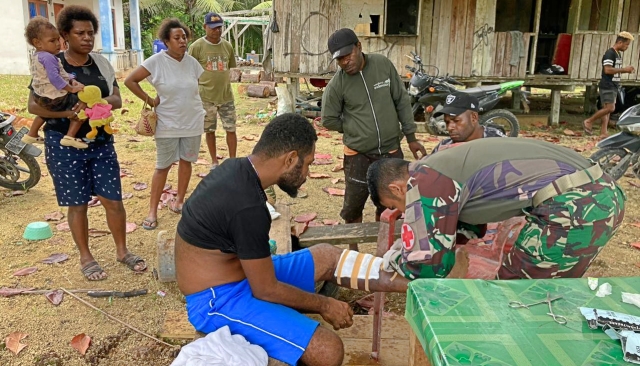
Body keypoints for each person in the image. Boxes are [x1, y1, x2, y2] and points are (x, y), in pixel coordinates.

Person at [175, 113, 408, 366]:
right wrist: (325, 304)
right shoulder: (247, 206)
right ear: (290, 159)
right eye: (307, 164)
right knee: (328, 350)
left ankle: (415, 283)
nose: (307, 173)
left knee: (327, 256)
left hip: (242, 275)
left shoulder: (238, 170)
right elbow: (266, 289)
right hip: (215, 300)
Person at [367, 137, 625, 280]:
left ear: (397, 188)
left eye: (396, 208)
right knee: (551, 290)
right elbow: (469, 227)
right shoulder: (439, 167)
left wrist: (399, 259)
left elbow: (429, 266)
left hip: (576, 205)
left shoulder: (425, 181)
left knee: (515, 296)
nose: (405, 214)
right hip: (598, 192)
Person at [27, 5, 146, 280]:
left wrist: (96, 104)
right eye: (79, 33)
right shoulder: (51, 63)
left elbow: (116, 99)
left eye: (91, 33)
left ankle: (122, 251)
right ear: (65, 35)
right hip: (63, 144)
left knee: (113, 200)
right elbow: (34, 107)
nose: (87, 38)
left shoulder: (101, 64)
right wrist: (69, 113)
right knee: (77, 203)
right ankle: (86, 256)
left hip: (101, 142)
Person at [321, 28, 426, 251]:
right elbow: (328, 119)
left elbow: (401, 101)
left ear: (358, 47)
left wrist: (411, 137)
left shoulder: (382, 65)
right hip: (357, 155)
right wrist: (354, 129)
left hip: (390, 151)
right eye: (339, 59)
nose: (344, 62)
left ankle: (386, 250)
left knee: (389, 204)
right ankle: (353, 250)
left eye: (347, 56)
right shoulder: (337, 85)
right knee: (353, 207)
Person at [124, 19, 205, 230]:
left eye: (184, 37)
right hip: (167, 123)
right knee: (163, 166)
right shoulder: (155, 62)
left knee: (187, 162)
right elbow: (130, 81)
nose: (182, 41)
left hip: (192, 121)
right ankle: (152, 211)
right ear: (166, 41)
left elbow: (194, 89)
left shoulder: (192, 63)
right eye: (176, 38)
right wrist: (150, 100)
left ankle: (179, 202)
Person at [22, 16, 87, 149]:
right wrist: (71, 88)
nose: (58, 43)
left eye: (58, 39)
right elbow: (55, 78)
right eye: (52, 41)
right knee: (83, 103)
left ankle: (32, 133)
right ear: (38, 43)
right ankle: (70, 136)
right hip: (53, 96)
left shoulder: (38, 56)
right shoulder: (49, 58)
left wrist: (70, 78)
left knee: (46, 110)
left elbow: (57, 73)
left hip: (41, 96)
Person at [188, 12, 237, 171]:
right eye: (213, 28)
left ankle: (233, 161)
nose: (216, 31)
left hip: (226, 96)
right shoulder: (196, 47)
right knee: (210, 131)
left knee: (231, 129)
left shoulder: (227, 46)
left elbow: (229, 67)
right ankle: (214, 161)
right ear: (205, 27)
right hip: (206, 97)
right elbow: (191, 73)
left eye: (219, 28)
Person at [583, 32, 635, 138]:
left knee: (606, 110)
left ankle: (603, 132)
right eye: (626, 45)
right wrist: (624, 70)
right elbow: (607, 69)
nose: (627, 47)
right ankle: (588, 121)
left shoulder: (617, 53)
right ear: (620, 42)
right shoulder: (610, 53)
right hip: (608, 84)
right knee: (610, 108)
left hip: (613, 84)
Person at [431, 92, 506, 153]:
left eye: (456, 121)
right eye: (447, 122)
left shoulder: (498, 142)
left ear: (473, 117)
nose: (450, 127)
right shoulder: (444, 147)